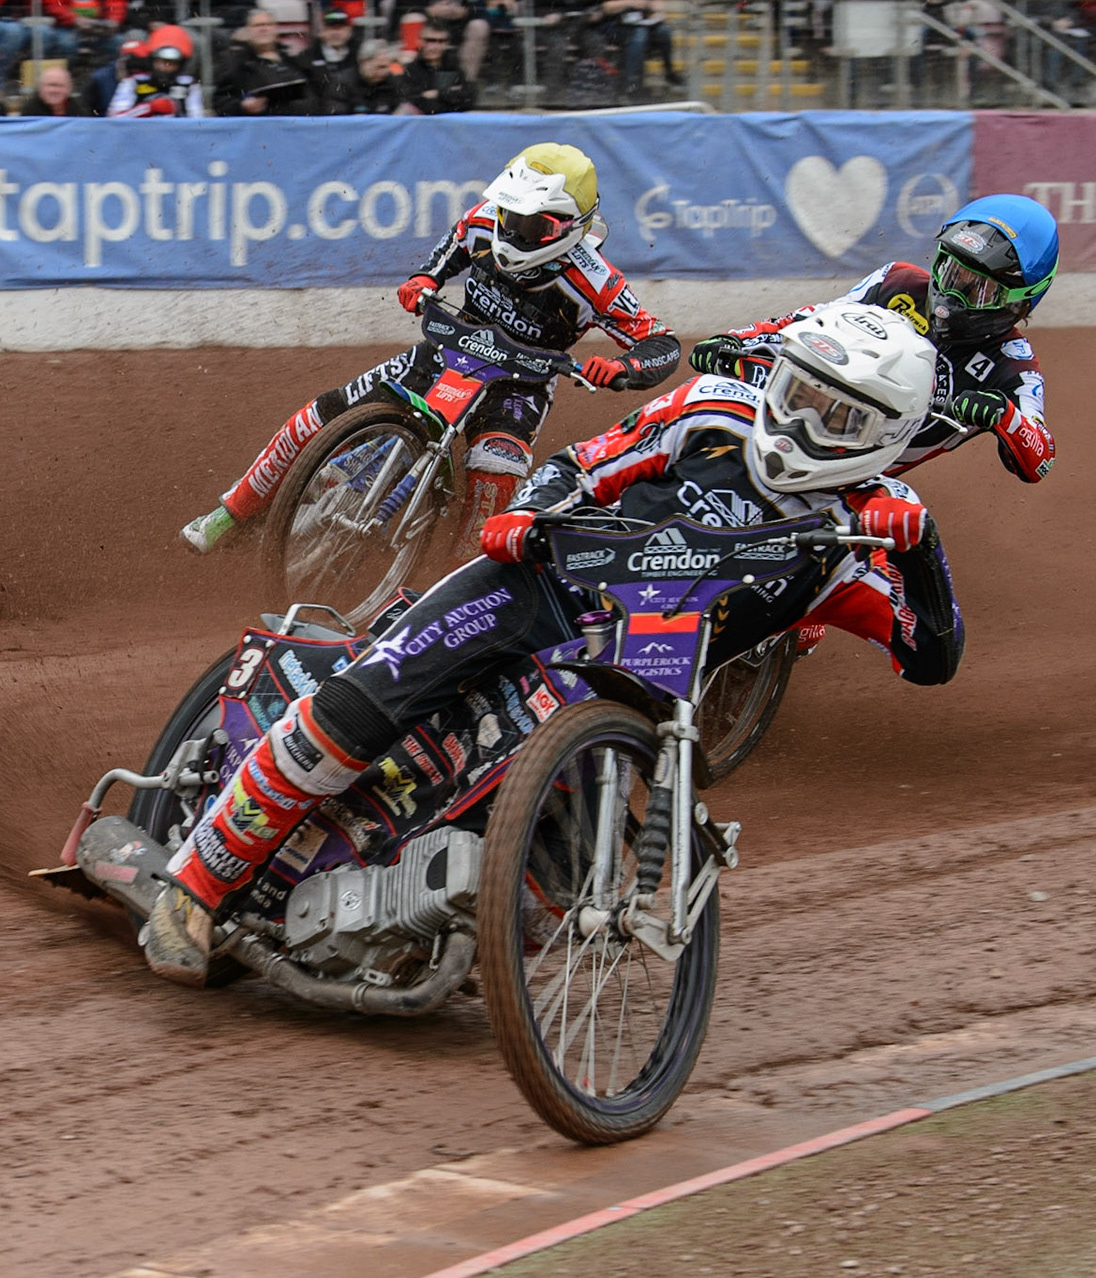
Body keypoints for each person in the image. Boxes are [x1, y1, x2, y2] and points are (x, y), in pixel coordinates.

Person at [146, 303, 957, 984]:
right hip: (540, 586)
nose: (799, 418)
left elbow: (933, 656)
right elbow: (585, 464)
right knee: (366, 703)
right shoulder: (715, 408)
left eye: (835, 412)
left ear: (885, 434)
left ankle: (434, 932)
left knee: (550, 899)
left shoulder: (867, 537)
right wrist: (530, 513)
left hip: (627, 682)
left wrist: (919, 554)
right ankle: (196, 885)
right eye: (795, 388)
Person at [182, 143, 681, 558]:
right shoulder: (485, 219)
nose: (511, 230)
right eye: (510, 214)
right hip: (450, 347)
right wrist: (427, 276)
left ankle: (455, 581)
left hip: (521, 385)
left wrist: (623, 367)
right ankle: (232, 512)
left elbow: (660, 343)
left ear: (566, 227)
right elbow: (454, 245)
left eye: (530, 227)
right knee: (322, 413)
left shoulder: (596, 281)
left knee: (496, 467)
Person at [690, 194, 1057, 488]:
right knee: (702, 399)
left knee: (906, 527)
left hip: (852, 484)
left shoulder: (1013, 366)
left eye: (977, 290)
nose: (952, 292)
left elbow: (1040, 460)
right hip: (793, 423)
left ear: (1021, 300)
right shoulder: (896, 281)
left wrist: (1004, 415)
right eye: (949, 270)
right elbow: (814, 319)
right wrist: (736, 339)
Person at [216, 10, 315, 115]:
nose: (263, 29)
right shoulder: (234, 63)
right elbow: (219, 102)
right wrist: (242, 106)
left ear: (276, 29)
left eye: (268, 25)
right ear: (248, 31)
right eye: (257, 25)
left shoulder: (293, 61)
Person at [394, 22, 476, 113]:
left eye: (441, 41)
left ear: (447, 43)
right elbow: (414, 102)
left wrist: (437, 94)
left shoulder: (454, 68)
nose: (434, 47)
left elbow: (468, 99)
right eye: (429, 41)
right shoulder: (410, 70)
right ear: (419, 41)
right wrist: (449, 95)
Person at [109, 42, 205, 115]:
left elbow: (196, 119)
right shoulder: (134, 82)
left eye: (170, 63)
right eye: (160, 62)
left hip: (177, 135)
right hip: (141, 133)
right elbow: (115, 117)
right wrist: (148, 108)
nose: (164, 67)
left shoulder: (188, 84)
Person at [301, 9, 363, 114]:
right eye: (331, 28)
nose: (336, 33)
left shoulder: (361, 55)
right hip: (320, 117)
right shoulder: (307, 58)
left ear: (349, 30)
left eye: (340, 28)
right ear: (322, 30)